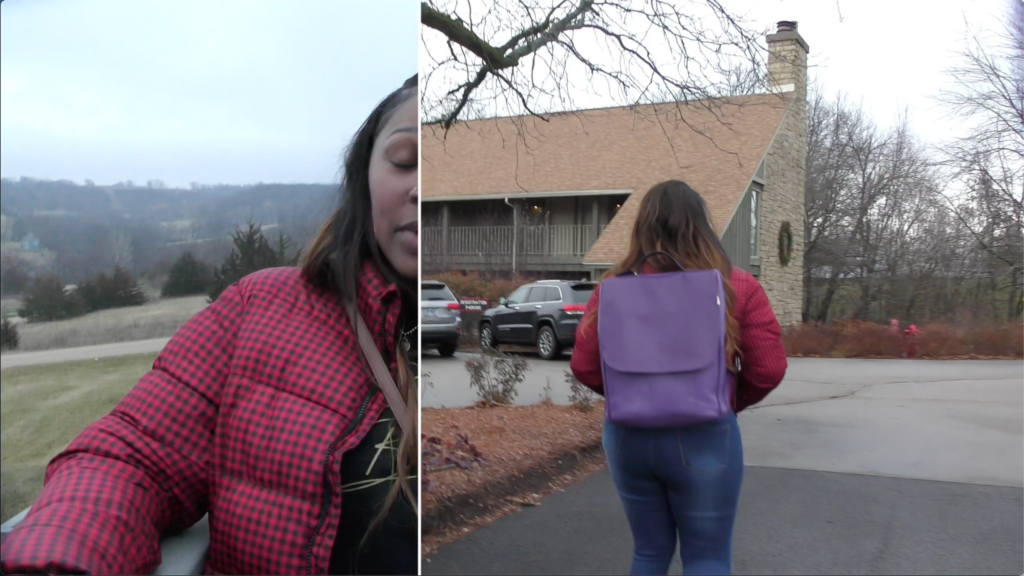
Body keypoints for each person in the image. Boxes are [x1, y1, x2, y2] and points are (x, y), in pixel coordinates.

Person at [1, 75, 419, 576]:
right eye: (405, 159)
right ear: (363, 179)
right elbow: (132, 458)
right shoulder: (264, 309)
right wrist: (61, 559)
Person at [570, 180, 787, 576]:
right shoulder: (736, 285)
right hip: (705, 434)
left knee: (649, 554)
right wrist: (727, 400)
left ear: (642, 229)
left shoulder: (612, 289)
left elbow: (584, 366)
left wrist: (631, 393)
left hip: (628, 437)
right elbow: (769, 368)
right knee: (707, 558)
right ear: (700, 226)